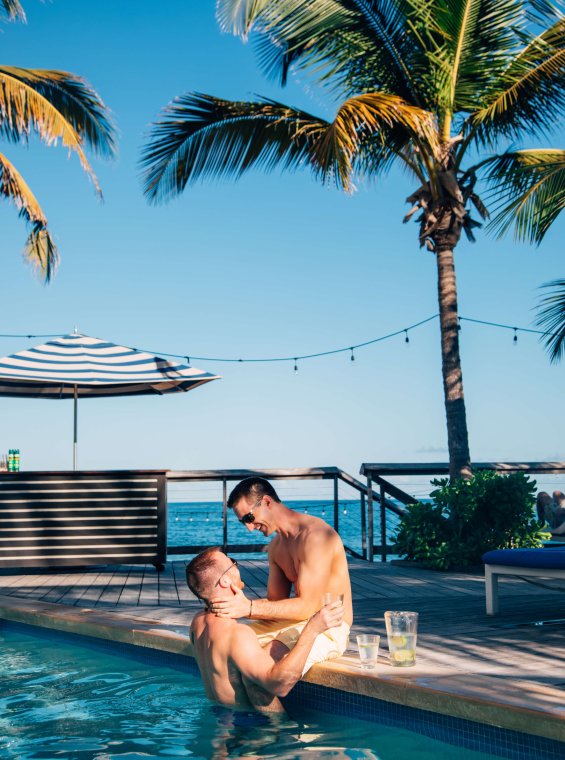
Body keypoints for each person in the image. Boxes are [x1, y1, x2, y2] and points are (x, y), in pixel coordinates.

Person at [209, 476, 353, 673]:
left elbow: (309, 607)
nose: (249, 528)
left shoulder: (316, 537)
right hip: (294, 622)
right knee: (226, 641)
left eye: (249, 518)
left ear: (267, 502)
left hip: (329, 627)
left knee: (262, 664)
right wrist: (231, 603)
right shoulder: (276, 546)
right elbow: (276, 603)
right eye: (243, 522)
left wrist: (248, 607)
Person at [186, 547, 344, 713]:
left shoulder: (198, 623)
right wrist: (312, 629)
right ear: (225, 581)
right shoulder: (237, 634)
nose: (236, 566)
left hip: (220, 717)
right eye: (232, 563)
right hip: (245, 727)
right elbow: (280, 685)